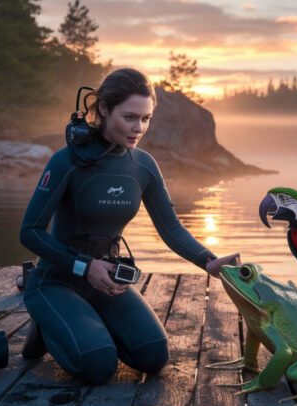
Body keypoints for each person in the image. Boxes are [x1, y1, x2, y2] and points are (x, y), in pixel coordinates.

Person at [19, 68, 239, 384]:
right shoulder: (66, 161)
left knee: (153, 356)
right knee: (98, 365)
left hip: (107, 281)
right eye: (130, 117)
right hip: (56, 280)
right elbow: (30, 232)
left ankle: (81, 324)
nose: (139, 128)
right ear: (105, 109)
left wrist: (209, 261)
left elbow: (171, 228)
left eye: (146, 119)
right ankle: (45, 323)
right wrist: (84, 266)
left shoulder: (143, 165)